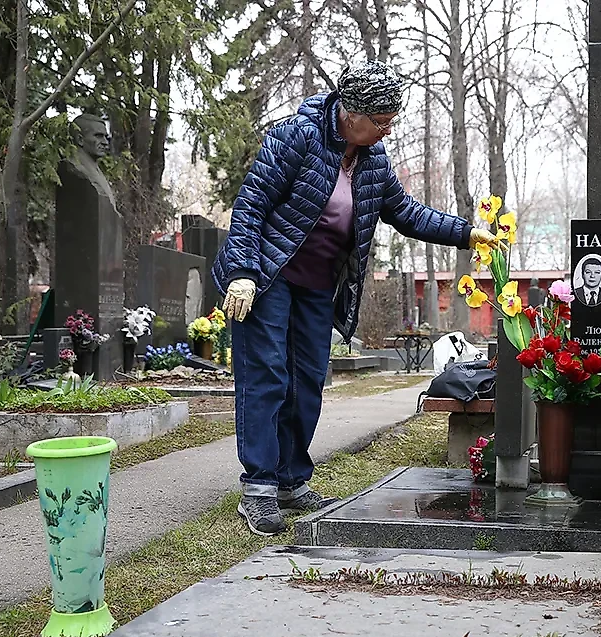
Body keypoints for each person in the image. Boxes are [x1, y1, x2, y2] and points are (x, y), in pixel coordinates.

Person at [212, 61, 504, 536]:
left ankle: (291, 482)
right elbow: (250, 207)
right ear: (351, 115)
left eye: (392, 121)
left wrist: (468, 233)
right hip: (267, 278)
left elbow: (407, 212)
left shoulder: (372, 161)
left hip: (316, 287)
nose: (388, 129)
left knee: (306, 383)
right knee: (266, 377)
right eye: (382, 121)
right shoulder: (295, 137)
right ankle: (260, 488)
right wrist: (242, 273)